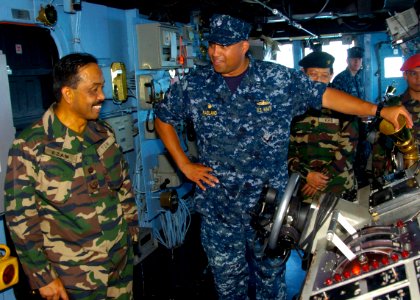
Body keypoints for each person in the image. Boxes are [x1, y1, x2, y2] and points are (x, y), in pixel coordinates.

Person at [154, 14, 412, 299]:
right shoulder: (195, 84)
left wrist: (379, 111)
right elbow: (163, 118)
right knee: (227, 284)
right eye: (212, 44)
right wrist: (185, 165)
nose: (216, 52)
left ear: (243, 46)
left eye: (224, 45)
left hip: (271, 206)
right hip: (219, 207)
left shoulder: (276, 79)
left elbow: (326, 96)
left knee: (271, 279)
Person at [4, 53, 139, 300]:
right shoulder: (30, 147)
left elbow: (123, 187)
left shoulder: (103, 134)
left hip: (119, 264)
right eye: (94, 90)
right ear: (68, 94)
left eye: (102, 88)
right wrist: (42, 277)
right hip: (73, 277)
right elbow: (20, 219)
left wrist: (131, 230)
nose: (101, 96)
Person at [288, 51, 358, 201]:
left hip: (338, 187)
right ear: (303, 74)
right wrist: (308, 175)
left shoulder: (343, 106)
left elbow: (348, 150)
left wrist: (318, 180)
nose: (319, 81)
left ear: (331, 76)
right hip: (304, 187)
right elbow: (286, 150)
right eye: (313, 74)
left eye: (324, 75)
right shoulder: (291, 107)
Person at [372, 53, 420, 178]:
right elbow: (380, 144)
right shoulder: (392, 107)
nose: (419, 78)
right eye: (414, 73)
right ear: (405, 75)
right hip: (404, 172)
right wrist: (379, 176)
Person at [332, 46, 371, 187]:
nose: (356, 62)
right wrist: (357, 114)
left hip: (359, 123)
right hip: (346, 125)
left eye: (359, 59)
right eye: (354, 59)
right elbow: (337, 106)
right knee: (348, 155)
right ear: (347, 61)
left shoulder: (359, 78)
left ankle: (359, 179)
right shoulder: (340, 79)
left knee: (362, 150)